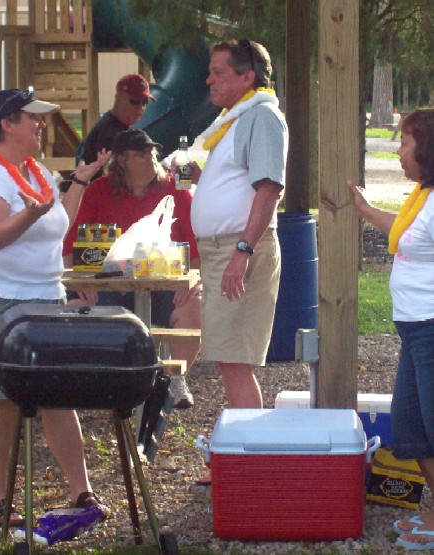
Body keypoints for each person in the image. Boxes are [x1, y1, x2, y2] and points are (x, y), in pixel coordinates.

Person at [0, 88, 107, 527]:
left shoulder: (35, 171)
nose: (41, 124)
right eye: (32, 118)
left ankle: (82, 491)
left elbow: (58, 223)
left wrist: (79, 182)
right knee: (3, 401)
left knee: (58, 396)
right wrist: (30, 214)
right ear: (7, 124)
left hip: (43, 297)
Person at [190, 40, 288, 484]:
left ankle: (250, 469)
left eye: (218, 72)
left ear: (247, 78)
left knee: (234, 359)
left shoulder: (261, 116)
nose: (208, 79)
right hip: (222, 249)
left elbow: (269, 189)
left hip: (240, 249)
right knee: (228, 358)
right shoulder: (235, 118)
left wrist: (243, 252)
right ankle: (245, 461)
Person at [345, 109, 434, 551]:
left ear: (427, 149)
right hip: (415, 332)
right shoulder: (423, 196)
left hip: (431, 329)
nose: (398, 152)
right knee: (411, 423)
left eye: (405, 143)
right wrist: (364, 210)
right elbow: (405, 232)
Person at [63, 128, 201, 409]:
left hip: (164, 285)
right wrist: (80, 283)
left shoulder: (176, 189)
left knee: (195, 305)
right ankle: (102, 382)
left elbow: (197, 250)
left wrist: (194, 282)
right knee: (76, 307)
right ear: (122, 160)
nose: (150, 158)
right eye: (141, 154)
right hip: (108, 286)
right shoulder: (98, 191)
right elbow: (70, 246)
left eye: (152, 152)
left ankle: (175, 379)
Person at [79, 73, 155, 178]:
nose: (141, 107)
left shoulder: (120, 125)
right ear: (118, 99)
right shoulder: (110, 134)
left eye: (145, 102)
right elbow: (114, 179)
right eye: (135, 101)